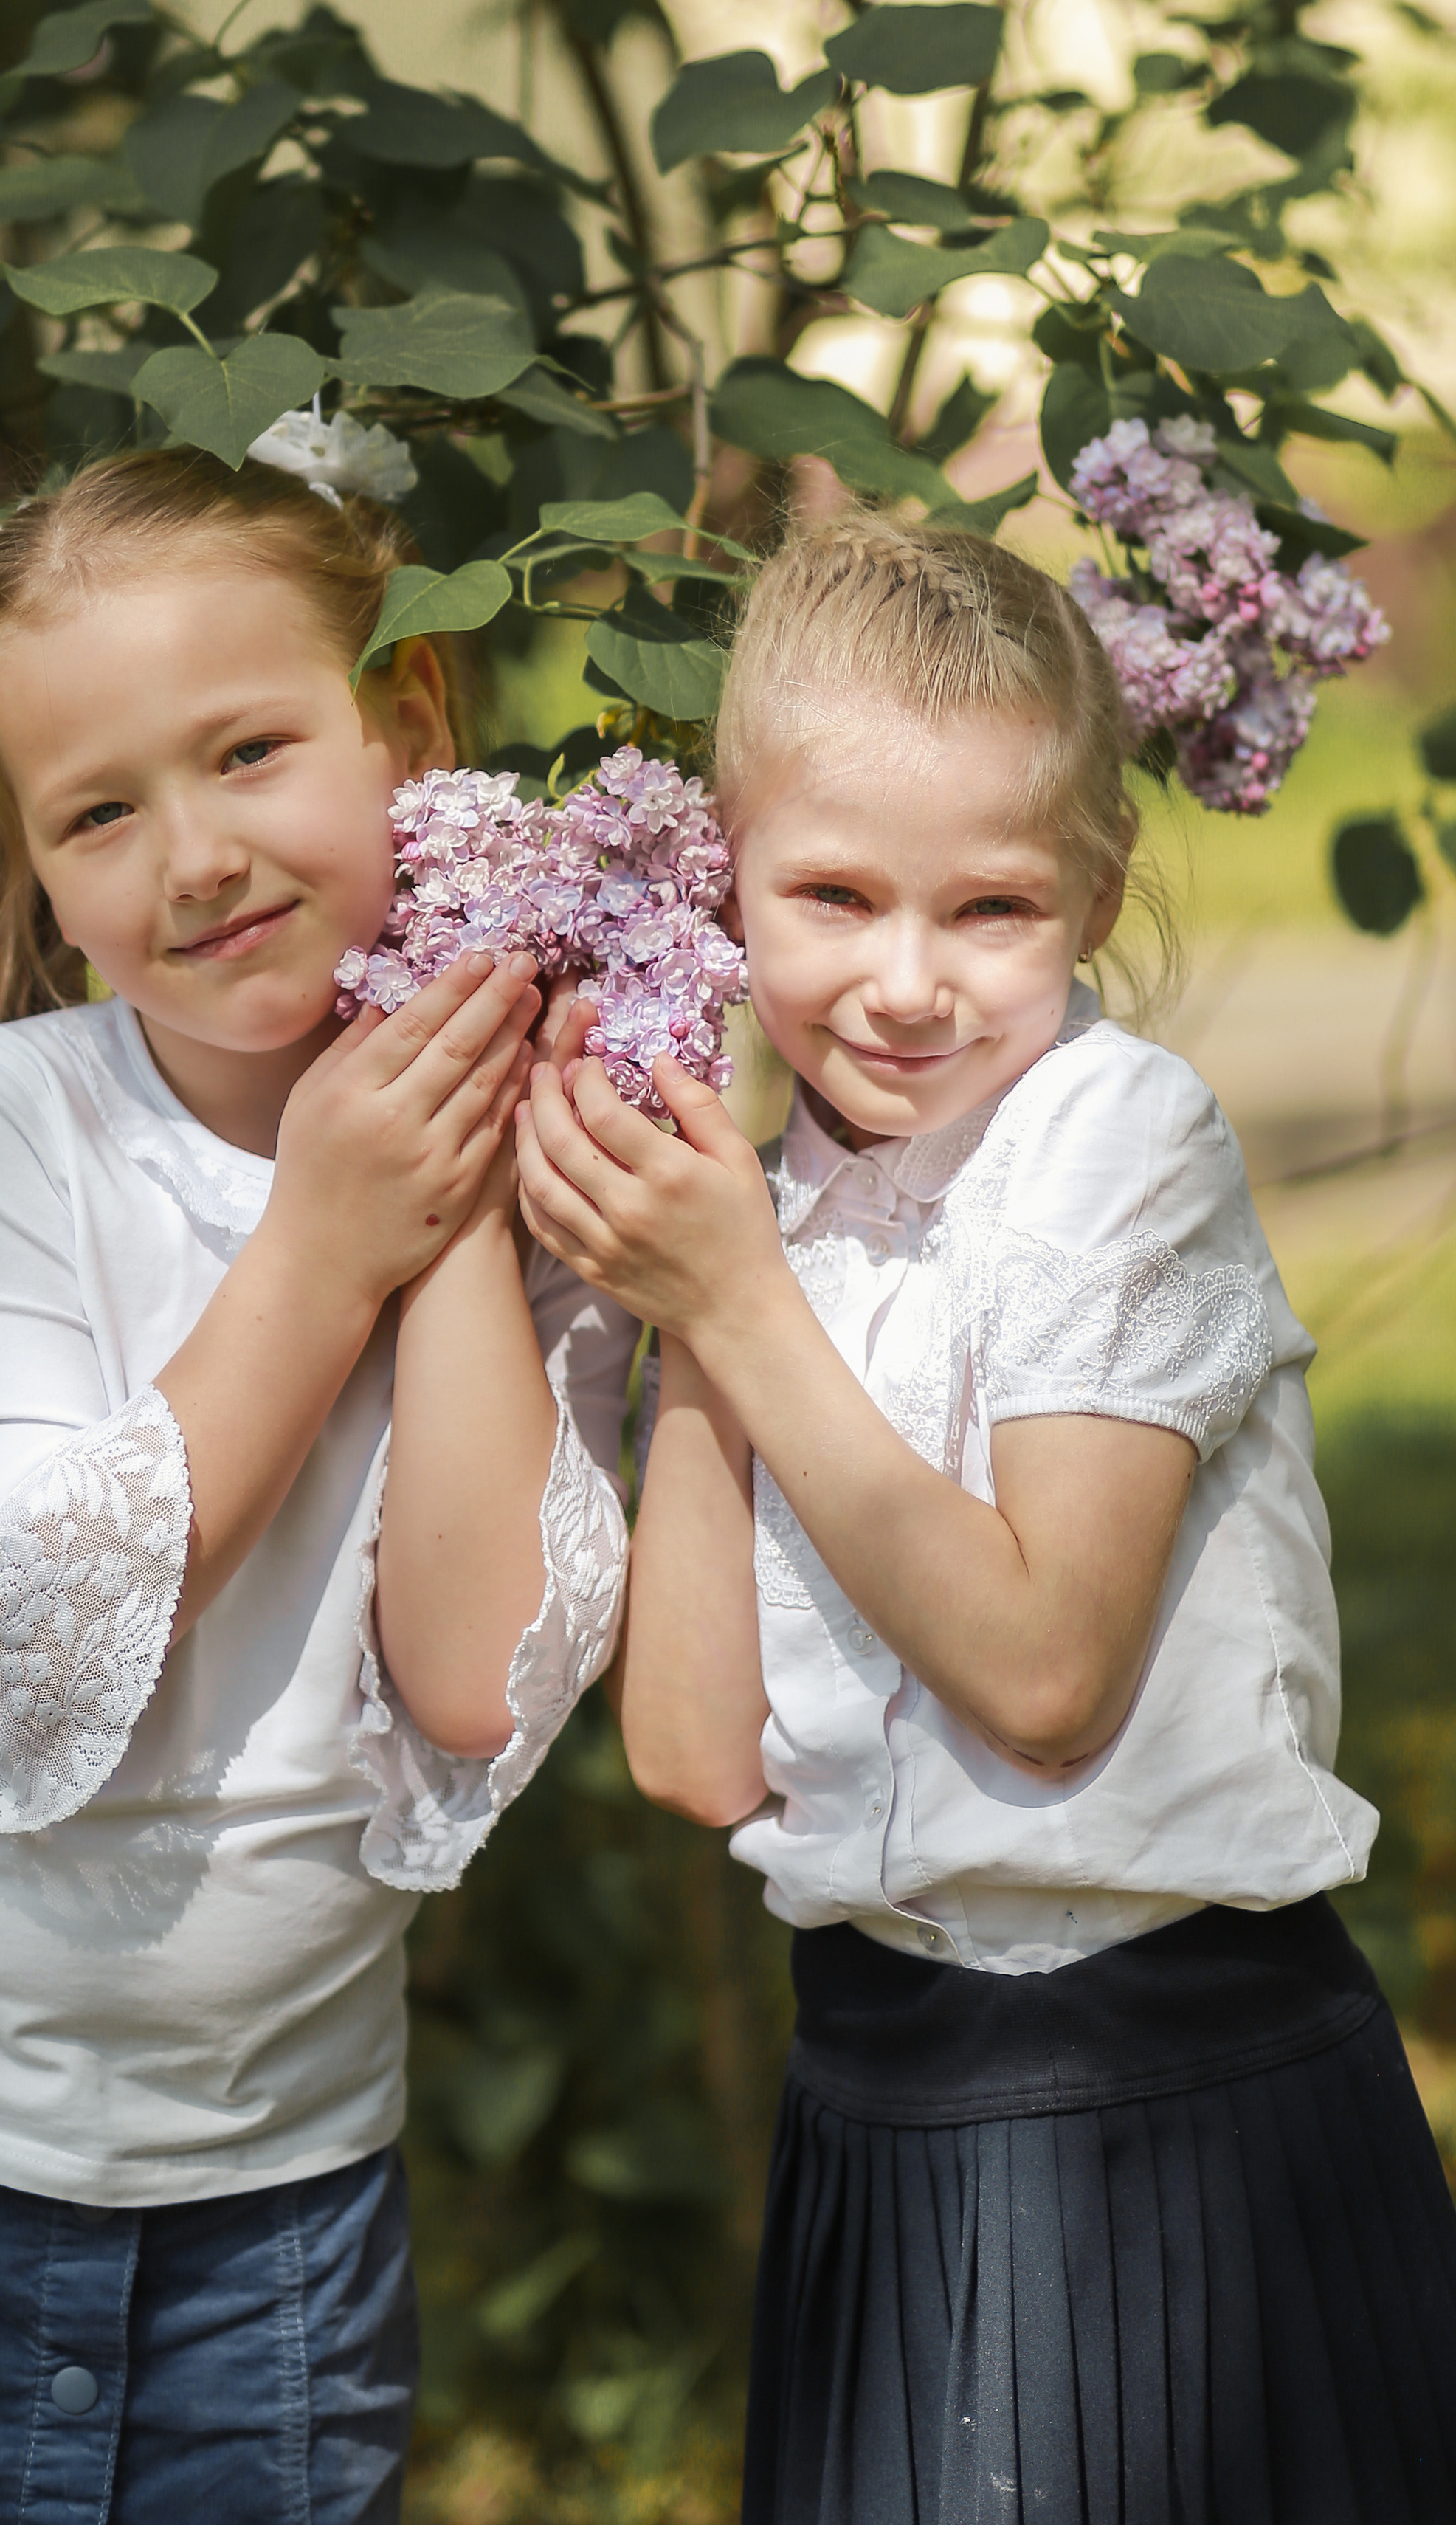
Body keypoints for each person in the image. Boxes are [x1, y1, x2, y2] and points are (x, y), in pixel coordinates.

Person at [0, 448, 635, 2525]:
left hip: (272, 2220)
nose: (195, 857)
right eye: (98, 813)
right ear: (41, 875)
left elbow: (470, 1683)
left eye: (249, 752)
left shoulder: (550, 1174)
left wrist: (444, 1214)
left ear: (406, 725)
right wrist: (320, 1241)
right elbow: (46, 1632)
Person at [514, 511, 1456, 2524]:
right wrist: (711, 1299)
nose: (907, 984)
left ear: (1096, 892)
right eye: (833, 897)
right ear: (725, 878)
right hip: (880, 2098)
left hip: (1162, 2108)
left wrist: (735, 1310)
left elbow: (1042, 1676)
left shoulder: (1116, 1141)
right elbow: (691, 1754)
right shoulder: (762, 1216)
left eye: (994, 908)